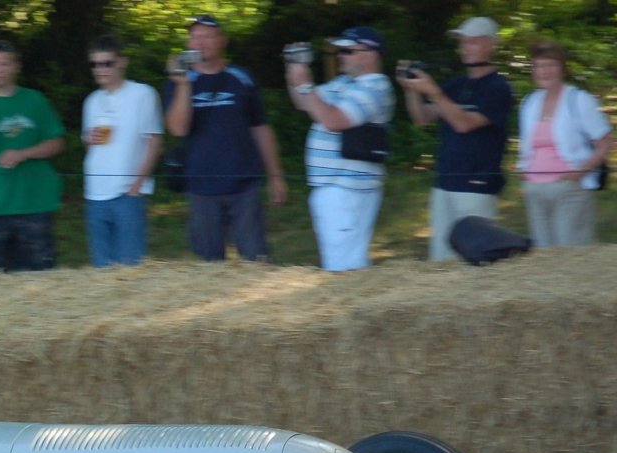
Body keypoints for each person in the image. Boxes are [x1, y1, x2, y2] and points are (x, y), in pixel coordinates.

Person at [163, 15, 286, 263]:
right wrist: (184, 84)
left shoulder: (241, 78)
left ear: (222, 41)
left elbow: (260, 127)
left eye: (207, 36)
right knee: (209, 266)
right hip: (201, 187)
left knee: (256, 260)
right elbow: (177, 129)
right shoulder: (178, 82)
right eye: (195, 36)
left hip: (244, 185)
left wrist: (275, 175)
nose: (200, 42)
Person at [398, 17, 513, 262]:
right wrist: (411, 89)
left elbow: (464, 124)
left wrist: (435, 92)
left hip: (477, 185)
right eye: (462, 41)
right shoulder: (456, 85)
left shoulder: (498, 87)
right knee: (441, 260)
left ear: (491, 44)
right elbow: (421, 117)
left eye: (473, 41)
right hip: (444, 182)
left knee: (475, 259)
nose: (465, 47)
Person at [285, 27, 395, 271]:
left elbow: (334, 121)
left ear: (370, 54)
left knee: (342, 266)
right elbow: (304, 103)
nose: (340, 55)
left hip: (346, 188)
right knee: (348, 260)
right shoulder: (345, 83)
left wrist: (305, 85)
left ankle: (347, 307)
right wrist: (294, 69)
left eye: (347, 50)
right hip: (339, 187)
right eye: (339, 50)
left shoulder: (375, 86)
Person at [0, 40, 65, 272]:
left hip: (34, 203)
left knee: (39, 276)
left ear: (16, 67)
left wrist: (24, 153)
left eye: (3, 64)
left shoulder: (35, 100)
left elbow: (57, 143)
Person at [517, 41, 613, 248]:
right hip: (535, 190)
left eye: (550, 65)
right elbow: (527, 146)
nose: (544, 71)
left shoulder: (579, 99)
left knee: (570, 255)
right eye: (538, 66)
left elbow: (605, 142)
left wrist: (581, 171)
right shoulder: (529, 102)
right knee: (543, 255)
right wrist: (524, 171)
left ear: (562, 68)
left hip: (569, 190)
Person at [82, 34, 163, 266]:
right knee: (101, 267)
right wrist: (89, 138)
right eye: (95, 64)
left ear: (122, 62)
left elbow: (154, 142)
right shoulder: (91, 101)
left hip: (127, 193)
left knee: (130, 267)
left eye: (107, 63)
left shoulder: (142, 94)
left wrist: (137, 185)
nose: (100, 69)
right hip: (94, 192)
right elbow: (90, 145)